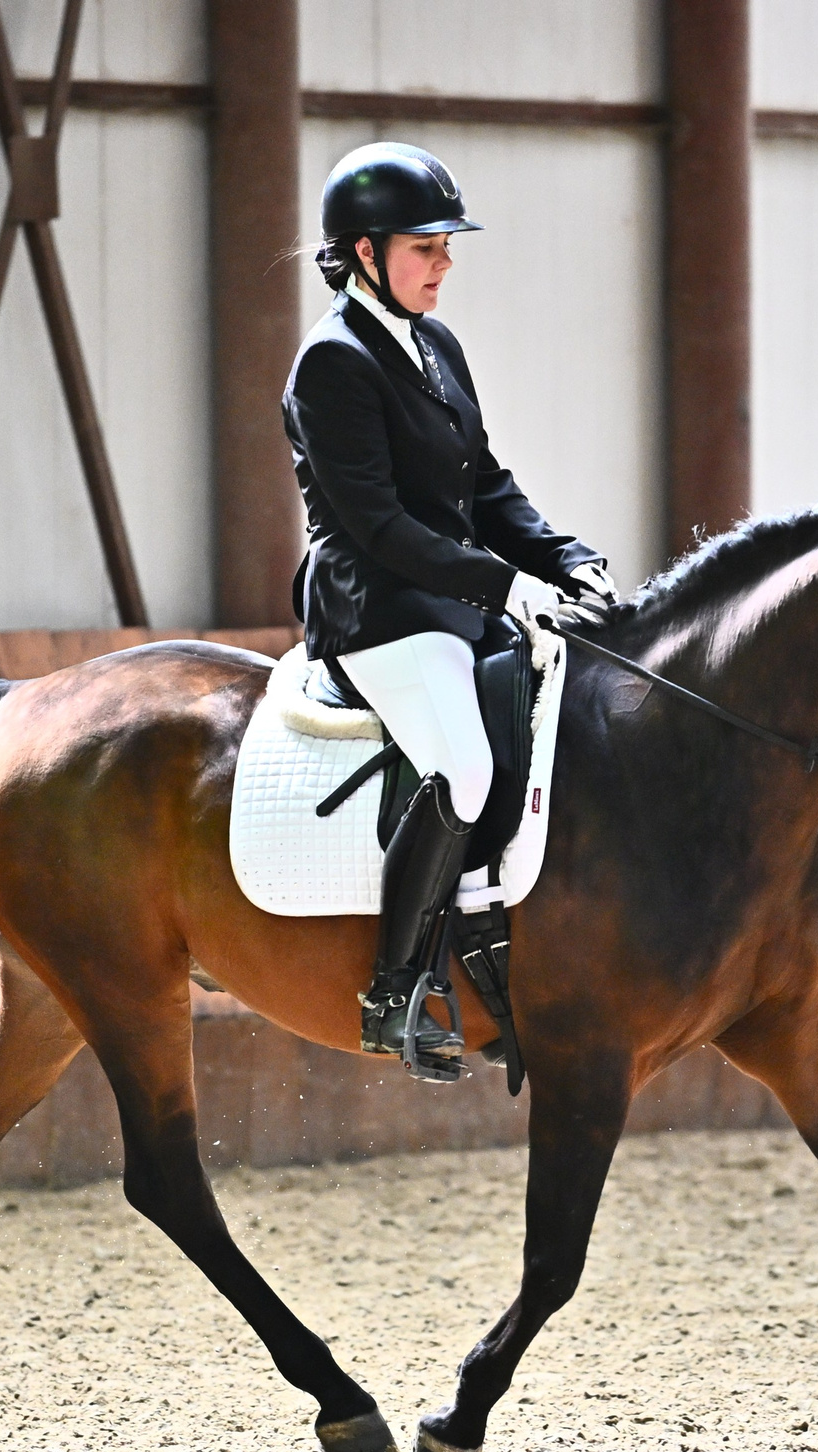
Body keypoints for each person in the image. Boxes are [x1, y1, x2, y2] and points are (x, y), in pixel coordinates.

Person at [284, 141, 614, 1079]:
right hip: (378, 608)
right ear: (363, 254)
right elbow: (381, 526)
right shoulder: (331, 365)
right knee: (464, 768)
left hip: (456, 597)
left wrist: (565, 556)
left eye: (445, 245)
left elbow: (487, 485)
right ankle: (392, 992)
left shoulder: (437, 344)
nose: (444, 262)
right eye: (425, 246)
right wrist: (508, 585)